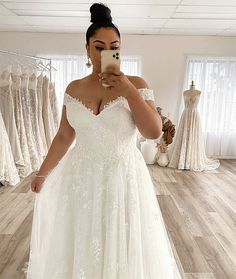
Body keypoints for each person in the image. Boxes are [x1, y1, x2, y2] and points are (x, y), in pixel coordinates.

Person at [25, 3, 182, 278]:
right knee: (82, 239)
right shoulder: (73, 89)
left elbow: (153, 132)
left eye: (114, 45)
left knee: (121, 242)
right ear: (86, 48)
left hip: (123, 178)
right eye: (99, 46)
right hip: (81, 177)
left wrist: (129, 92)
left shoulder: (137, 83)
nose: (107, 52)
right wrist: (42, 172)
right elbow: (64, 134)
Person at [168, 81, 220, 171]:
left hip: (194, 116)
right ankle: (182, 160)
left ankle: (190, 160)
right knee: (184, 136)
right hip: (186, 115)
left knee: (193, 136)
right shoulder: (185, 92)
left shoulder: (199, 92)